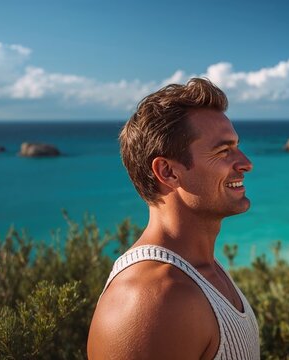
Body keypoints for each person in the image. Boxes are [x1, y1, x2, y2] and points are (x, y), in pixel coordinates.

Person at [87, 78, 260, 359]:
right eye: (223, 151)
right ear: (168, 172)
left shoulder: (202, 269)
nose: (246, 162)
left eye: (236, 146)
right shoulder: (152, 299)